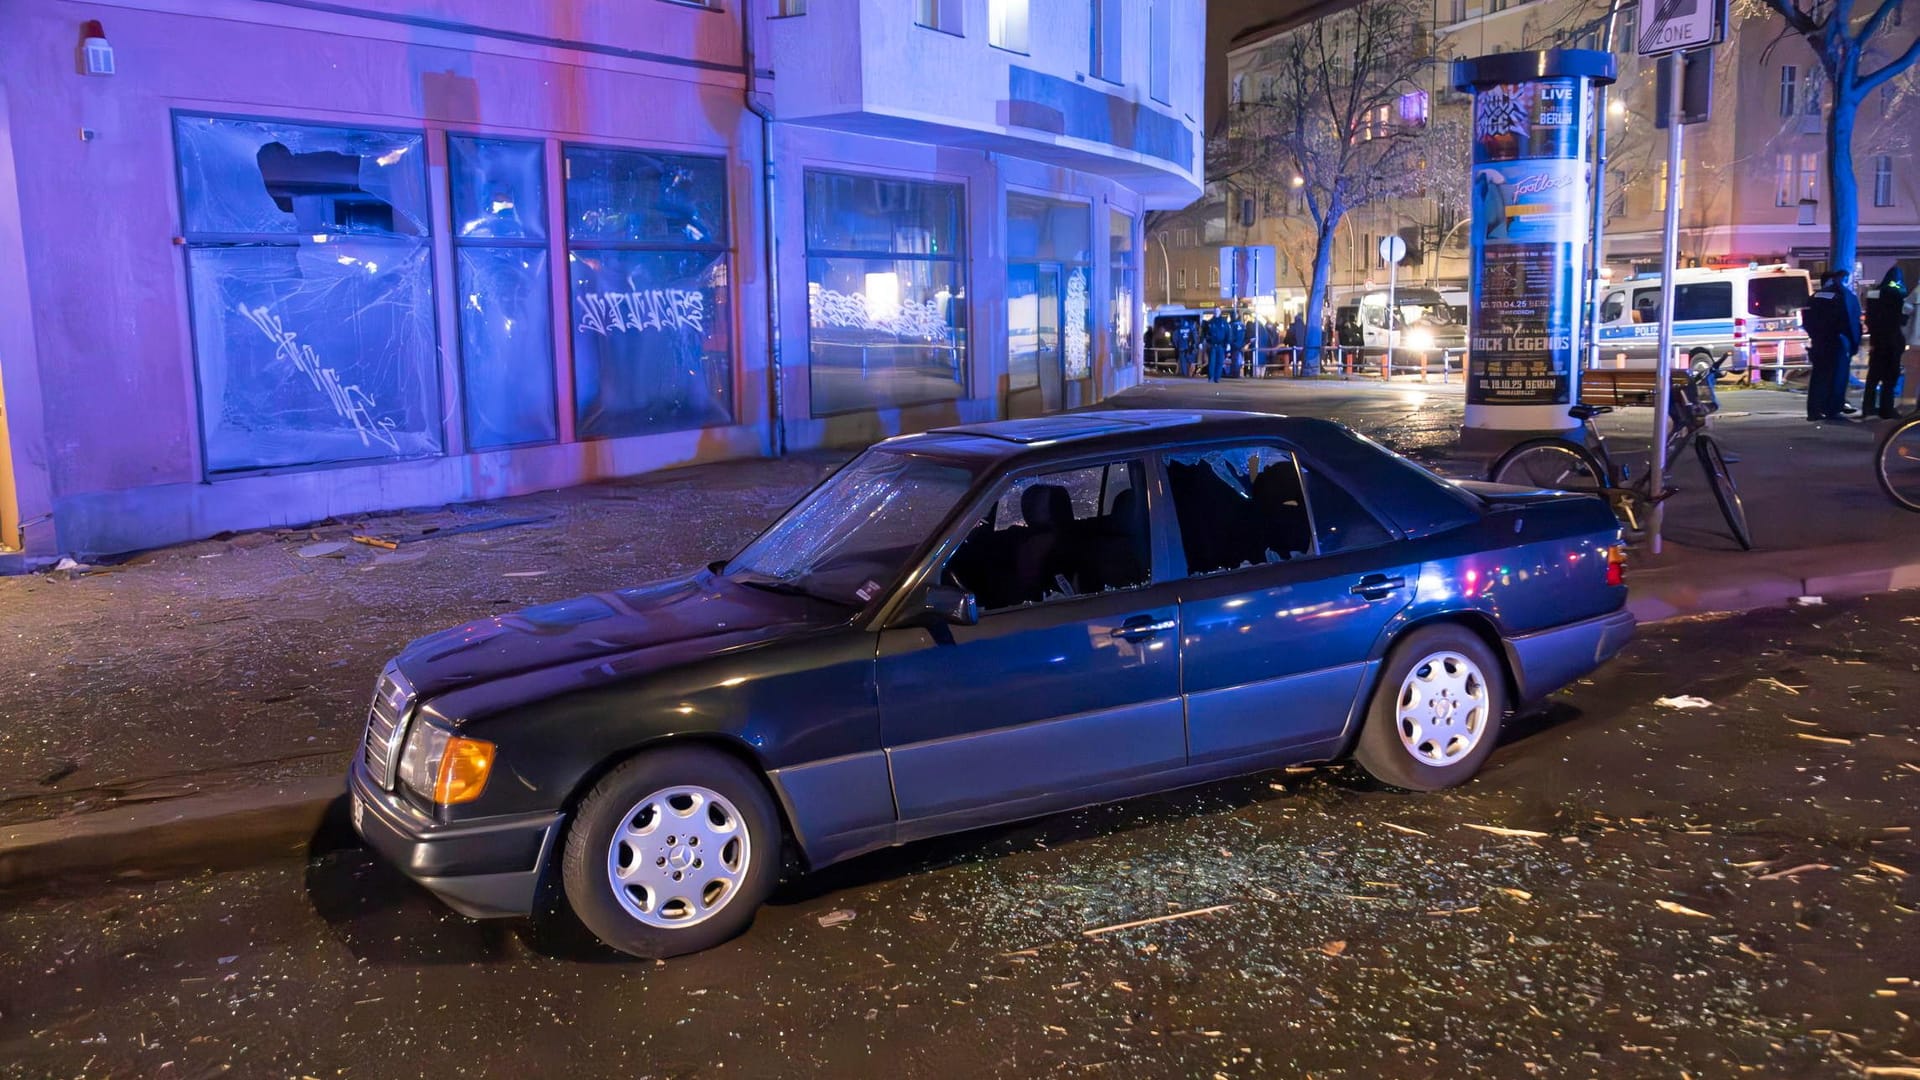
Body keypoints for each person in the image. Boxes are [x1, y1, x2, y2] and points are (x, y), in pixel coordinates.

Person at [1803, 269, 1863, 422]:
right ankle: (1832, 409)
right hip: (1838, 342)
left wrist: (1814, 335)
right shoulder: (1843, 296)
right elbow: (1852, 321)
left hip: (1819, 341)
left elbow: (1806, 319)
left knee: (1818, 377)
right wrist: (1853, 343)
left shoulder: (1814, 296)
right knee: (1837, 376)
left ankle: (1814, 410)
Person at [1865, 268, 1909, 418]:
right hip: (1893, 341)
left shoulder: (1874, 293)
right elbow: (1903, 318)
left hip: (1877, 340)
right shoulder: (1899, 291)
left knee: (1873, 376)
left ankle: (1868, 407)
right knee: (1890, 377)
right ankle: (1886, 409)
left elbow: (1869, 319)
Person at [1203, 308, 1231, 382]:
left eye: (1218, 311)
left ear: (1220, 312)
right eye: (1215, 311)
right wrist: (1205, 340)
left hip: (1221, 345)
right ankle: (1211, 377)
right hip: (1212, 345)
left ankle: (1217, 377)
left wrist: (1228, 343)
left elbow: (1228, 333)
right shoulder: (1210, 322)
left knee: (1220, 362)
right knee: (1212, 362)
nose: (1216, 312)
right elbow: (1204, 333)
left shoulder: (1224, 322)